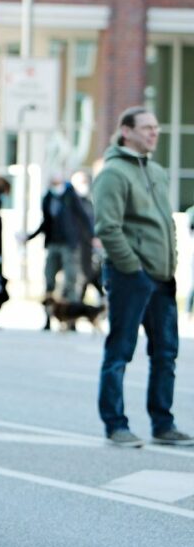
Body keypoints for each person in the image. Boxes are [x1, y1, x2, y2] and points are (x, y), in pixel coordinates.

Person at [92, 107, 193, 447]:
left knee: (166, 353)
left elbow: (166, 225)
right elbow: (107, 227)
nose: (154, 133)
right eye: (147, 127)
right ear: (126, 131)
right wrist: (133, 268)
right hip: (129, 276)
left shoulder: (158, 171)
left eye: (156, 127)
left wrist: (171, 260)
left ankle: (163, 424)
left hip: (163, 278)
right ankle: (115, 424)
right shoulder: (113, 173)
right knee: (120, 350)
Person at [24, 173, 92, 328]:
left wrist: (92, 237)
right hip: (53, 243)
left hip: (69, 244)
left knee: (70, 281)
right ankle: (48, 318)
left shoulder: (71, 197)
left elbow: (84, 217)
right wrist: (29, 237)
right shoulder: (48, 198)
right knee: (49, 280)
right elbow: (45, 223)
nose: (55, 186)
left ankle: (71, 320)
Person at [71, 169, 104, 305]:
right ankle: (75, 309)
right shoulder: (70, 202)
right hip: (75, 247)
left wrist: (96, 238)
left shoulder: (89, 203)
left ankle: (82, 307)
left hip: (89, 248)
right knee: (81, 278)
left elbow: (93, 222)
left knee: (89, 276)